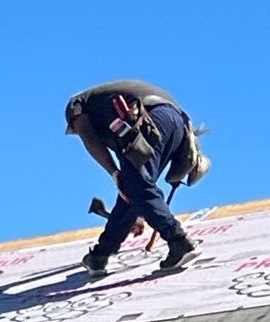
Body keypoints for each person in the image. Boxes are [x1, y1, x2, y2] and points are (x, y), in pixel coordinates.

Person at [64, 80, 210, 278]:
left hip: (150, 119)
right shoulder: (106, 108)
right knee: (132, 186)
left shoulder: (77, 106)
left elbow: (89, 139)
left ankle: (178, 241)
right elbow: (134, 187)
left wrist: (113, 173)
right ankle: (100, 254)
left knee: (134, 184)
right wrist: (139, 209)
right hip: (176, 124)